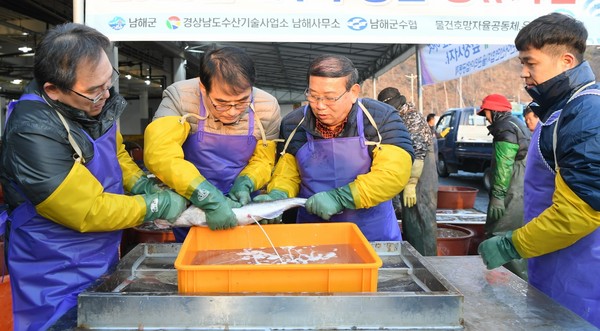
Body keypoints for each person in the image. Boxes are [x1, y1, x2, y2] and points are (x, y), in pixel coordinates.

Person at [0, 23, 186, 330]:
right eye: (93, 90)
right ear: (53, 90)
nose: (105, 94)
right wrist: (155, 205)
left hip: (102, 246)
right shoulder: (32, 131)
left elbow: (117, 155)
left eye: (107, 81)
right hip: (52, 262)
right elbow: (88, 209)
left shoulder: (94, 104)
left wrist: (139, 182)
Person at [478, 13, 600, 327]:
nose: (524, 73)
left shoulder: (585, 114)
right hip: (553, 262)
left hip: (582, 275)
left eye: (531, 63)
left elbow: (580, 212)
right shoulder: (560, 109)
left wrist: (511, 244)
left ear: (566, 61)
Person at [254, 54, 414, 241]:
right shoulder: (294, 123)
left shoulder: (381, 118)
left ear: (353, 92)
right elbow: (287, 174)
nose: (320, 106)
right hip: (312, 235)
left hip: (372, 234)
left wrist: (340, 198)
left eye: (330, 98)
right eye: (313, 96)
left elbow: (393, 174)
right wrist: (278, 196)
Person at [143, 45, 282, 241]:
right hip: (190, 199)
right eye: (222, 103)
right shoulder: (180, 98)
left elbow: (264, 160)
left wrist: (246, 183)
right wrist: (206, 196)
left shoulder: (267, 107)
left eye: (242, 101)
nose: (233, 111)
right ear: (203, 88)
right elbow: (160, 154)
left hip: (240, 203)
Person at [377, 88, 438, 256]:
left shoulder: (411, 118)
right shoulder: (403, 117)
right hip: (414, 177)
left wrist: (411, 183)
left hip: (420, 181)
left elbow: (418, 153)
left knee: (422, 221)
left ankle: (426, 264)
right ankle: (417, 260)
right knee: (412, 221)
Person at [477, 94, 530, 280]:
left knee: (499, 233)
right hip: (521, 183)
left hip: (511, 186)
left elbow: (504, 165)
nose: (486, 117)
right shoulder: (516, 123)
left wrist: (498, 196)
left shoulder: (504, 128)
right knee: (514, 232)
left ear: (494, 111)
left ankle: (505, 286)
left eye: (486, 113)